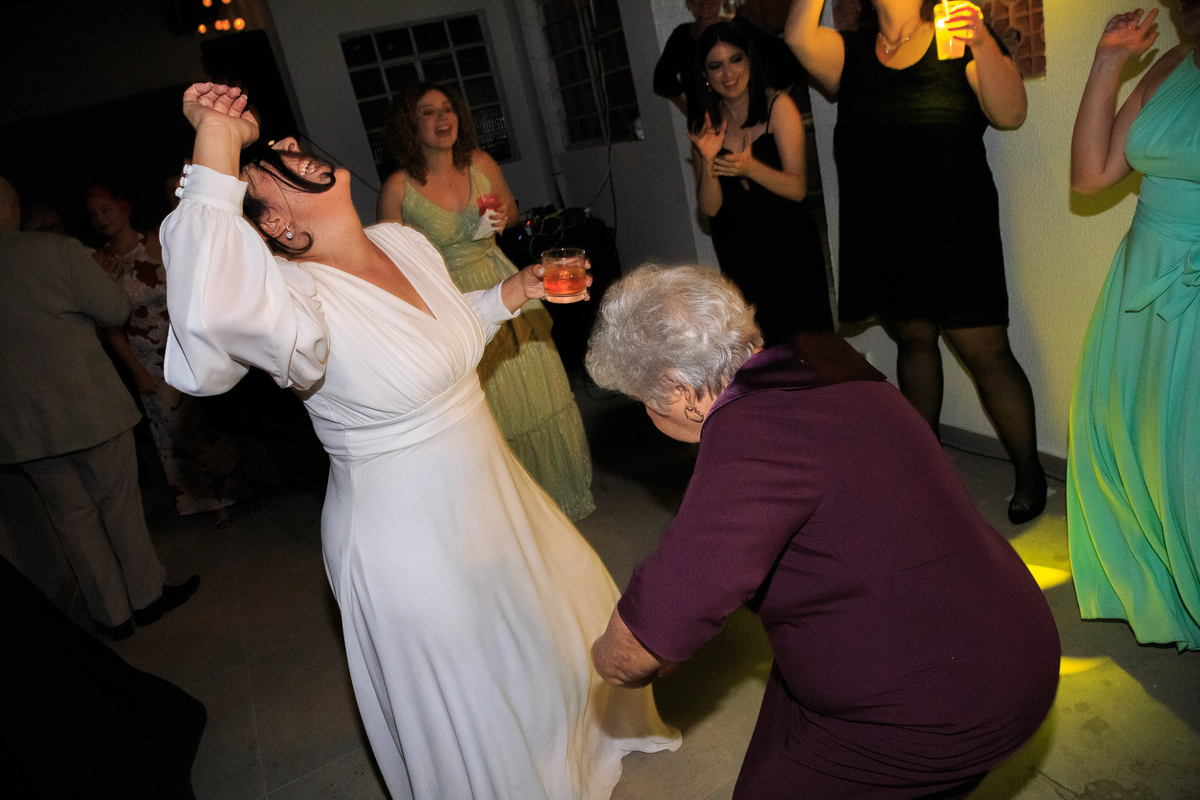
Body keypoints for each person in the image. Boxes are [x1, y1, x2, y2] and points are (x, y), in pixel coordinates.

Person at [163, 83, 679, 799]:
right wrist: (218, 138)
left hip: (493, 490)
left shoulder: (400, 241)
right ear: (275, 222)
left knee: (546, 615)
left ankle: (564, 748)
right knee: (466, 683)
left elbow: (441, 332)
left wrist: (514, 292)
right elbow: (210, 313)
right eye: (265, 166)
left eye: (282, 144)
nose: (283, 146)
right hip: (404, 534)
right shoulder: (293, 301)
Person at [585, 264, 1060, 798]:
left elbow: (640, 643)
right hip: (998, 626)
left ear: (680, 389)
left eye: (645, 402)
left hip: (954, 698)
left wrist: (597, 659)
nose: (650, 417)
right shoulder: (823, 361)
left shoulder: (754, 444)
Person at [785, 0, 1047, 523]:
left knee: (988, 353)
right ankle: (926, 471)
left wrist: (981, 41)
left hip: (958, 230)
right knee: (914, 341)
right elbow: (796, 35)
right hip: (890, 235)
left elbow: (1011, 114)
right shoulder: (850, 53)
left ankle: (1030, 472)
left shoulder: (958, 35)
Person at [377, 83, 596, 521]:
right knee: (492, 406)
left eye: (447, 108)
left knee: (539, 389)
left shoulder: (480, 163)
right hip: (453, 299)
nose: (443, 118)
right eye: (428, 112)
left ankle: (560, 498)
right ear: (409, 126)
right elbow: (386, 260)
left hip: (504, 282)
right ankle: (512, 515)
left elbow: (511, 213)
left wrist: (501, 218)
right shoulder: (398, 186)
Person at [0, 175, 198, 642]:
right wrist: (103, 281)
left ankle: (111, 617)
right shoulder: (56, 251)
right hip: (88, 408)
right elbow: (113, 310)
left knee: (72, 520)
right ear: (11, 209)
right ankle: (147, 598)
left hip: (23, 426)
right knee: (118, 507)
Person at [1068, 4, 1200, 651]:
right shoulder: (1172, 64)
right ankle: (1160, 586)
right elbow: (1090, 175)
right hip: (1140, 281)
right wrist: (1107, 63)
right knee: (1133, 436)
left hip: (1192, 290)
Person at [87, 184, 257, 528]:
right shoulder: (99, 263)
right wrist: (136, 370)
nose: (100, 219)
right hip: (148, 359)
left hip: (185, 343)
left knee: (211, 421)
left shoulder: (157, 241)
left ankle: (240, 488)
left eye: (105, 209)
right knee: (177, 431)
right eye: (93, 215)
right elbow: (109, 325)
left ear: (123, 207)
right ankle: (212, 505)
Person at [688, 21, 834, 344]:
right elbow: (710, 208)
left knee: (811, 353)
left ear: (749, 60)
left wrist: (751, 168)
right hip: (740, 256)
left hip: (791, 251)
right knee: (761, 356)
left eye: (735, 59)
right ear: (705, 75)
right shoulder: (705, 125)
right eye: (716, 66)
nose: (728, 73)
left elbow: (797, 189)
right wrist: (708, 158)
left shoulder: (779, 107)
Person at [655, 0, 804, 128]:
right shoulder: (681, 38)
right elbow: (662, 80)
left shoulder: (740, 29)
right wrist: (693, 113)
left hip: (749, 127)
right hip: (710, 133)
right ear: (689, 3)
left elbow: (791, 59)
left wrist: (773, 105)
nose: (706, 1)